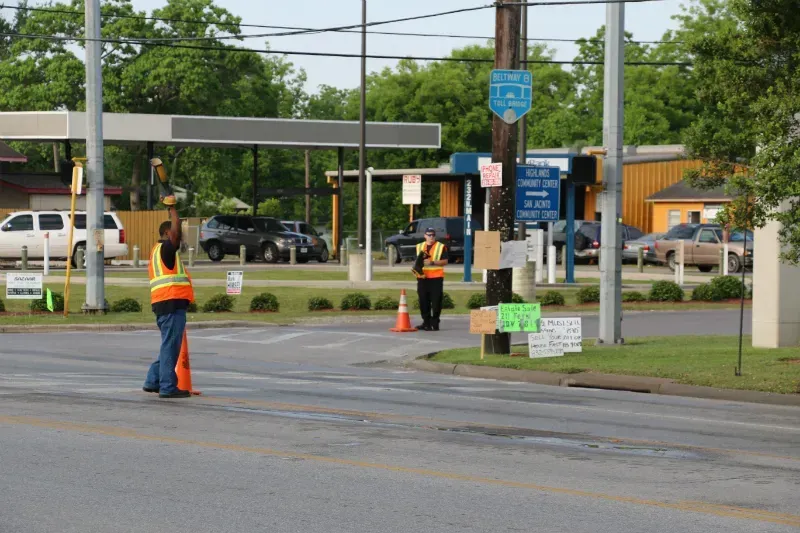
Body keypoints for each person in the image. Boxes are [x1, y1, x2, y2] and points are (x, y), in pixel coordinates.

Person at [142, 197, 195, 399]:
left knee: (168, 345)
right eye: (176, 234)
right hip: (171, 304)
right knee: (170, 346)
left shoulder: (160, 252)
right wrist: (172, 210)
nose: (179, 238)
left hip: (165, 304)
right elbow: (175, 233)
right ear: (167, 233)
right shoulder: (165, 249)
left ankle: (153, 380)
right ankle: (167, 386)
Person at [415, 228, 448, 331]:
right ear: (425, 235)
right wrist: (415, 269)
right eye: (429, 235)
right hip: (422, 278)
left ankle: (435, 322)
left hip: (436, 278)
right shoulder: (419, 246)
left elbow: (445, 261)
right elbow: (417, 261)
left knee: (436, 301)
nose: (431, 237)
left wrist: (432, 262)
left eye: (433, 235)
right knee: (423, 301)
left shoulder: (441, 246)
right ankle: (426, 323)